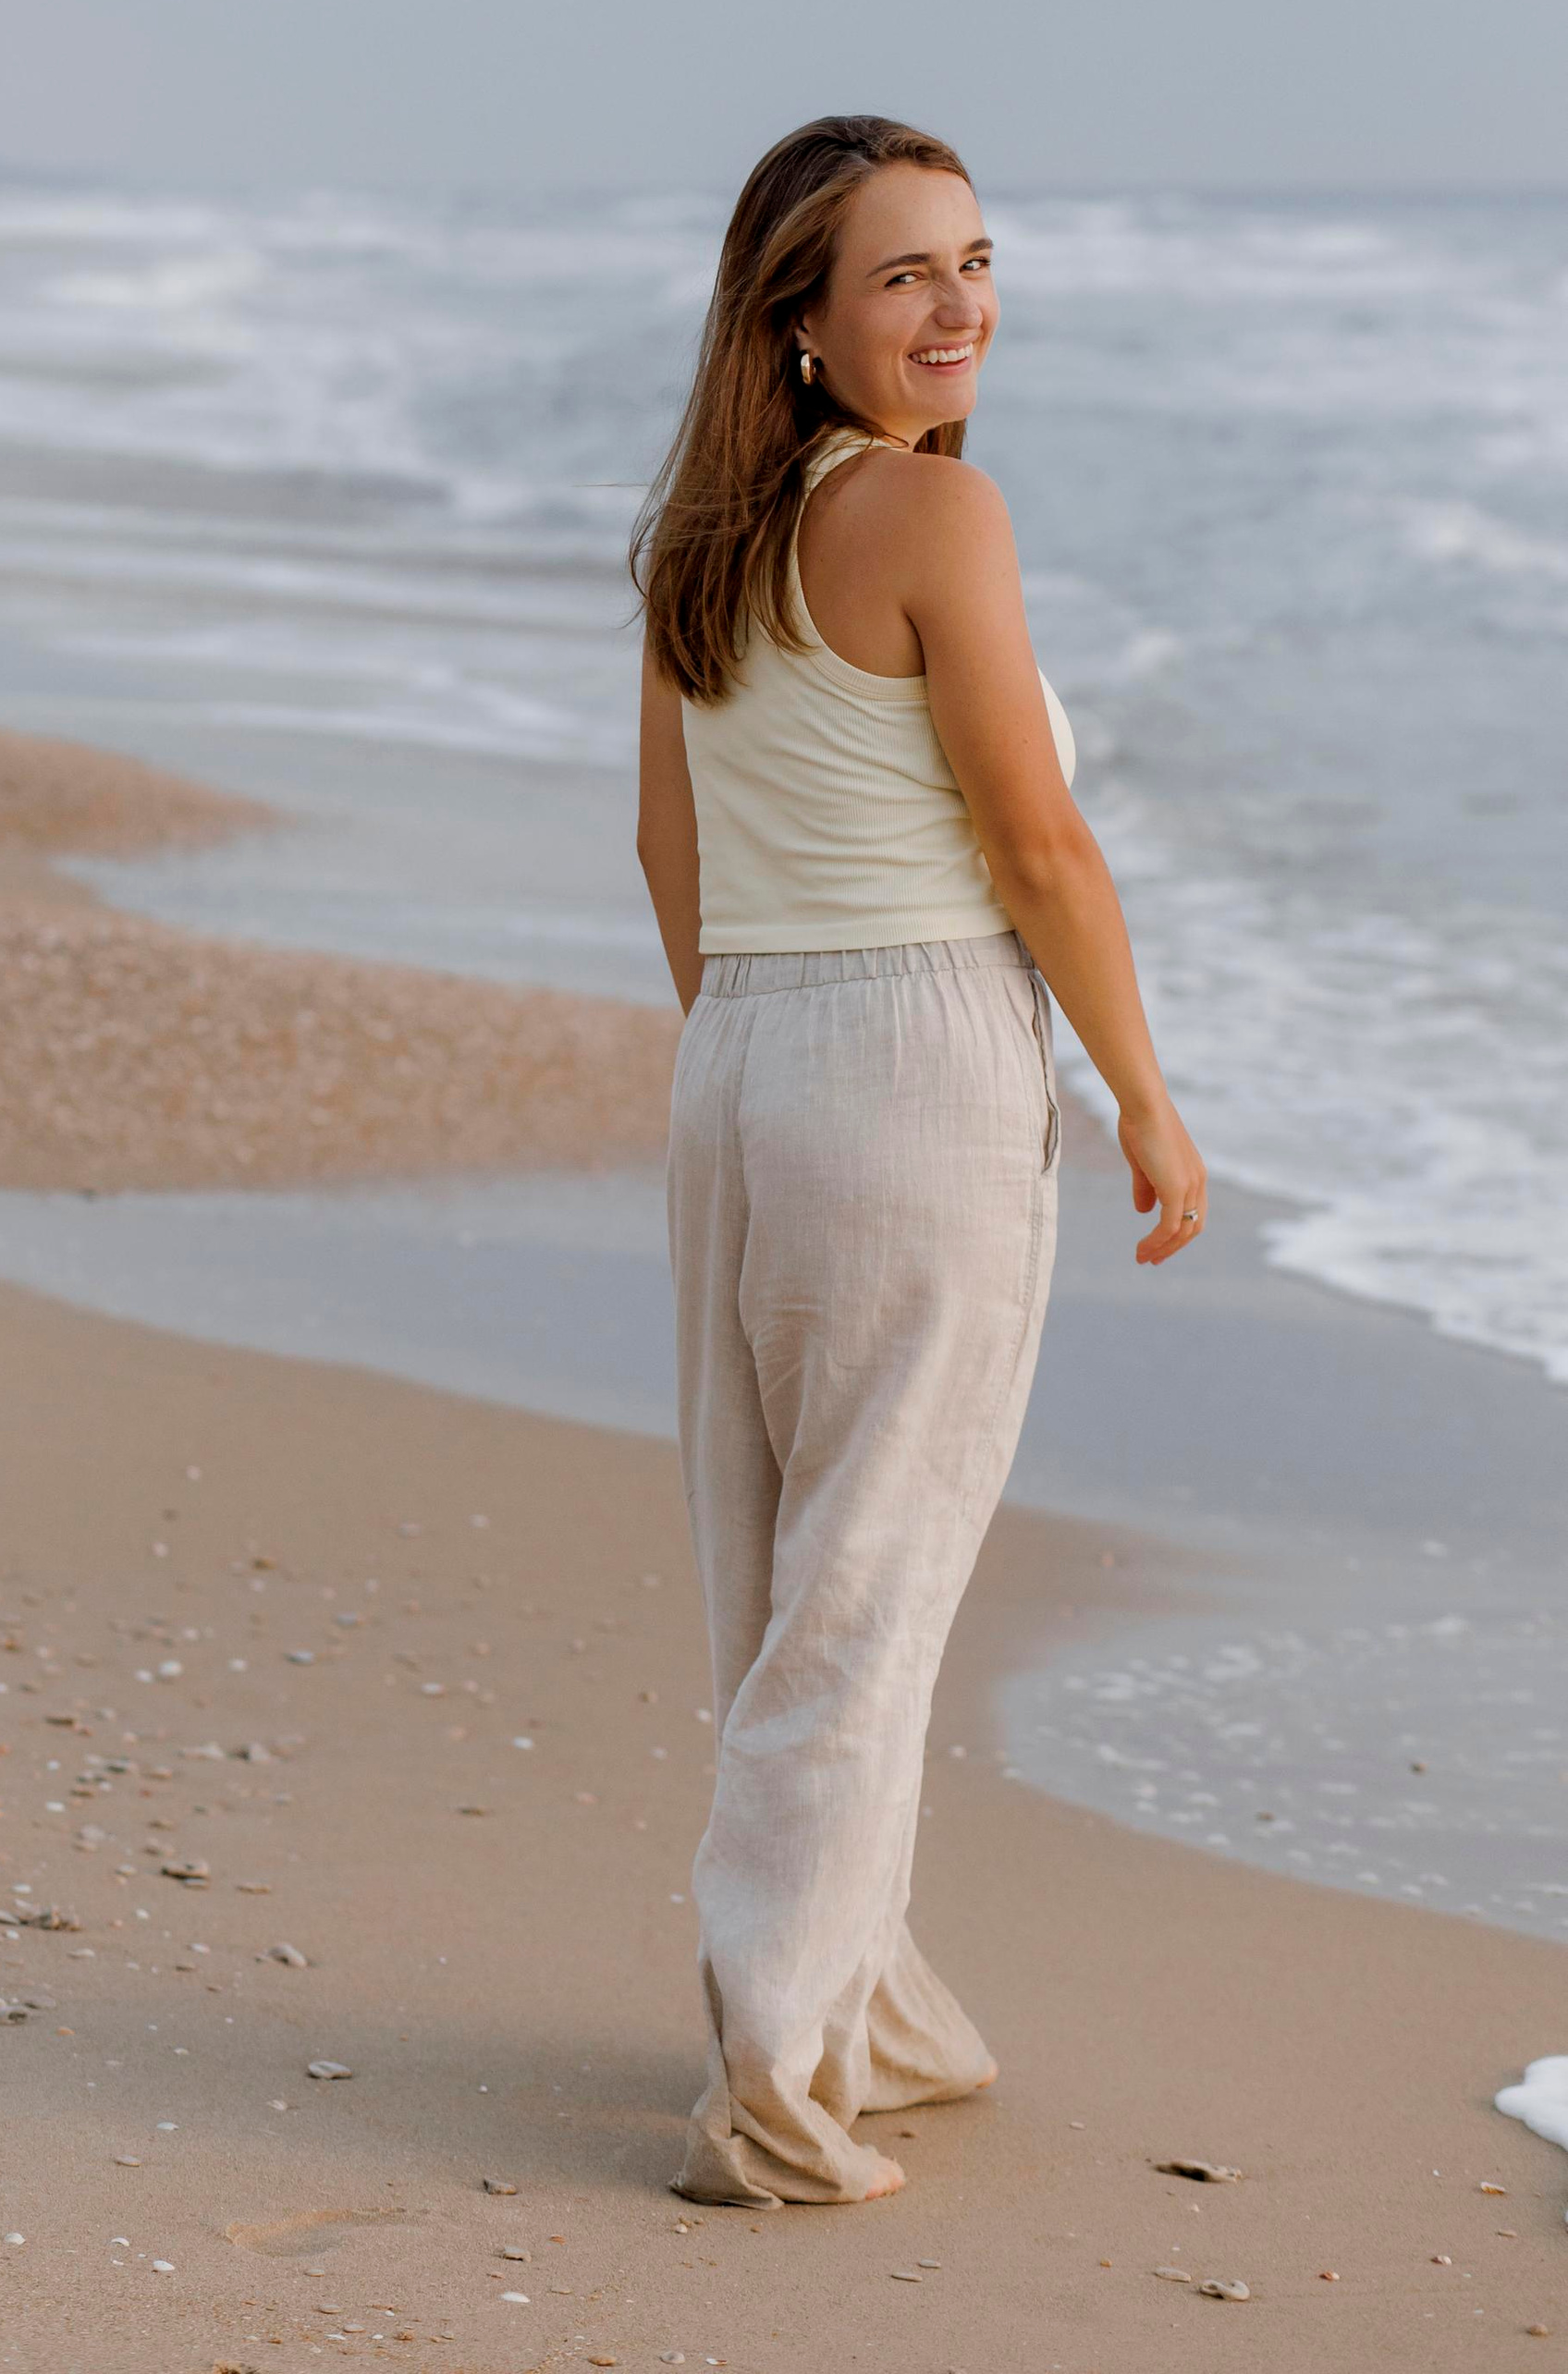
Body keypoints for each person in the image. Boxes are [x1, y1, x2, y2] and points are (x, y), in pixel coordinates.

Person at [631, 112, 1207, 2208]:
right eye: (899, 275)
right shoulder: (933, 525)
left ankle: (845, 2004)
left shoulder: (703, 529)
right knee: (862, 1587)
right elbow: (1034, 845)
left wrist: (756, 1040)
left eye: (970, 261)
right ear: (797, 321)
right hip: (908, 1051)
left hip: (746, 1056)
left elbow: (666, 851)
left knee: (781, 1570)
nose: (956, 303)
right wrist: (1139, 1093)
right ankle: (771, 2080)